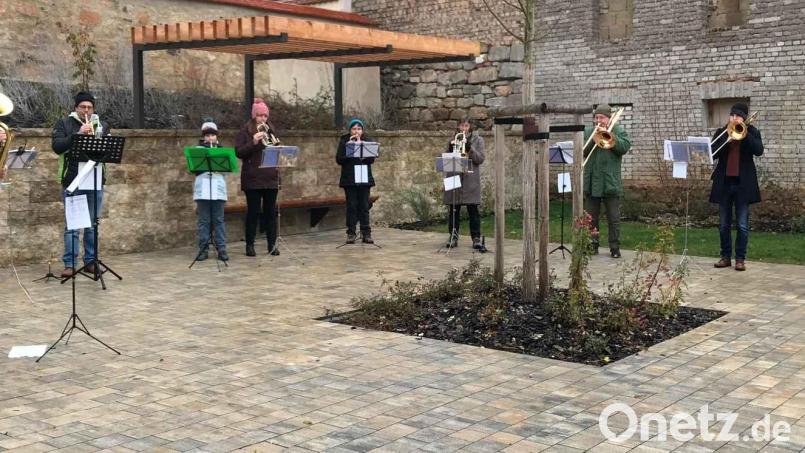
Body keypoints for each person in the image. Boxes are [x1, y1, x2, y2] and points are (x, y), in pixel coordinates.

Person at [51, 91, 110, 278]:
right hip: (73, 180)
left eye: (89, 107)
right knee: (72, 226)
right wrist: (78, 135)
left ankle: (91, 262)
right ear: (76, 108)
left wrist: (98, 138)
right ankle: (70, 264)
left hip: (94, 179)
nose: (86, 110)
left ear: (93, 109)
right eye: (82, 107)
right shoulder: (64, 124)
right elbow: (57, 147)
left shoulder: (102, 125)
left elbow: (109, 152)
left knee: (92, 224)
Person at [709, 103, 763, 272]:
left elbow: (759, 150)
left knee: (742, 225)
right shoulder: (722, 132)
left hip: (743, 185)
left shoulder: (752, 132)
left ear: (744, 118)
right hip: (724, 183)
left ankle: (740, 259)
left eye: (738, 116)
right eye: (732, 115)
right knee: (723, 225)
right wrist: (727, 136)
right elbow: (712, 153)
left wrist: (744, 134)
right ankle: (725, 257)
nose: (734, 118)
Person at [583, 103, 631, 258]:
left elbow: (624, 147)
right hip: (593, 181)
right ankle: (592, 245)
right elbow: (583, 151)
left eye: (601, 117)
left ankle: (615, 248)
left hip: (610, 181)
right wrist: (594, 137)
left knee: (614, 218)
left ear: (609, 118)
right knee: (591, 217)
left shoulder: (618, 130)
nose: (598, 120)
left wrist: (609, 135)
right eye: (596, 117)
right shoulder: (589, 131)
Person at [235, 98, 279, 257]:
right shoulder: (245, 132)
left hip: (270, 178)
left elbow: (277, 150)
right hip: (252, 179)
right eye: (260, 115)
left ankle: (272, 244)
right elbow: (239, 152)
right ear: (254, 116)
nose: (263, 119)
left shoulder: (271, 130)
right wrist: (253, 142)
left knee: (271, 213)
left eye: (265, 116)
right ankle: (250, 244)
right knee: (253, 212)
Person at [442, 117, 485, 249]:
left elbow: (480, 159)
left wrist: (470, 148)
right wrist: (451, 147)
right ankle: (453, 236)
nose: (463, 129)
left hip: (470, 179)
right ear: (458, 127)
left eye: (466, 126)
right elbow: (445, 158)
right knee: (453, 209)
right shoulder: (452, 139)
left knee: (473, 209)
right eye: (461, 126)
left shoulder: (478, 140)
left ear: (470, 127)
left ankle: (476, 238)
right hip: (454, 176)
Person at [193, 119, 229, 262]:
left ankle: (222, 249)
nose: (210, 138)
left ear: (216, 136)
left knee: (219, 220)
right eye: (207, 136)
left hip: (218, 189)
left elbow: (226, 171)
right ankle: (203, 249)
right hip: (203, 189)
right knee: (204, 221)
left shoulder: (222, 151)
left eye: (212, 135)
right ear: (203, 137)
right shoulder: (198, 151)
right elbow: (195, 169)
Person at [336, 118, 375, 244]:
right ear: (350, 130)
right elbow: (339, 159)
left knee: (364, 205)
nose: (356, 131)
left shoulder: (367, 140)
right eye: (354, 128)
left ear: (362, 130)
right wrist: (350, 149)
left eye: (359, 129)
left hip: (363, 174)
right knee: (351, 205)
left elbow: (371, 160)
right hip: (350, 176)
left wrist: (361, 148)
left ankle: (366, 233)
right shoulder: (344, 140)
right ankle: (351, 233)